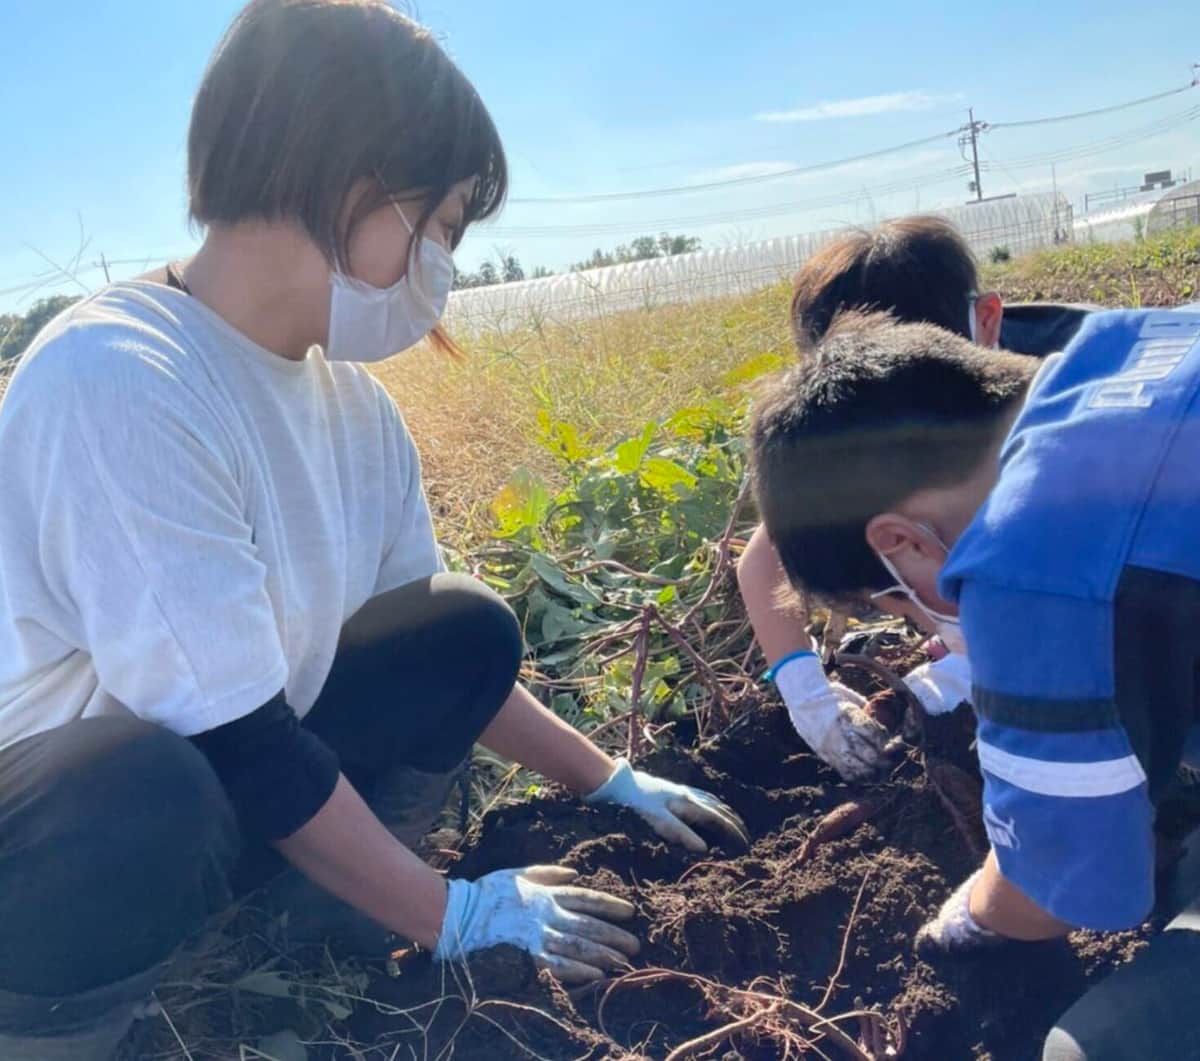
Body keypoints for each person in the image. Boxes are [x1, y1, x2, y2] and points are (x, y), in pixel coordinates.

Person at [0, 3, 746, 1058]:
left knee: (463, 631)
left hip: (221, 798)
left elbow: (435, 664)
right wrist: (458, 912)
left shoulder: (352, 408)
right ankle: (60, 1031)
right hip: (60, 841)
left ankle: (326, 923)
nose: (442, 265)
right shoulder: (120, 380)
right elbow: (240, 742)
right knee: (142, 787)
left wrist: (611, 779)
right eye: (438, 225)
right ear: (351, 180)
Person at [750, 303, 1200, 1059]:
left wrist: (971, 916)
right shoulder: (1129, 343)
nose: (929, 629)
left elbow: (1053, 889)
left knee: (1098, 1049)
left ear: (900, 541)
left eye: (895, 601)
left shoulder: (1031, 562)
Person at [741, 217, 1010, 781]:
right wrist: (807, 694)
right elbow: (765, 558)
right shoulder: (851, 424)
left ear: (983, 325)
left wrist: (971, 668)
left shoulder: (1039, 410)